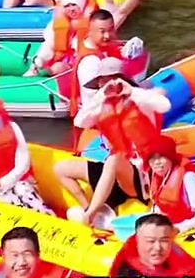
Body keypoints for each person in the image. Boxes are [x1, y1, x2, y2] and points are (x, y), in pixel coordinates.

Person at [57, 74, 171, 227]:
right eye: (102, 84)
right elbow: (80, 121)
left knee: (113, 160)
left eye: (112, 81)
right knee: (61, 168)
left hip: (143, 174)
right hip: (115, 172)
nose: (109, 87)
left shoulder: (141, 101)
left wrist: (131, 91)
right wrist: (99, 97)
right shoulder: (102, 107)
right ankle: (91, 211)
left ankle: (89, 214)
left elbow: (164, 105)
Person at [25, 0, 150, 79]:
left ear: (80, 3)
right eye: (67, 6)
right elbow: (49, 46)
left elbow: (121, 13)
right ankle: (39, 77)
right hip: (71, 61)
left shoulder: (95, 23)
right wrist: (38, 62)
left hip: (90, 60)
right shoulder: (59, 24)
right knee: (57, 67)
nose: (71, 9)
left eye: (74, 4)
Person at [68, 9, 149, 121]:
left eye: (111, 30)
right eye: (102, 31)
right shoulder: (90, 62)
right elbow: (96, 99)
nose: (107, 35)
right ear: (90, 31)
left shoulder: (103, 47)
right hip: (99, 118)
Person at [145, 135, 195, 233]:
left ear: (170, 157)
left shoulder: (188, 177)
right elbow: (159, 205)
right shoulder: (157, 178)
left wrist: (178, 228)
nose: (156, 162)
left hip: (190, 230)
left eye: (161, 157)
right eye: (152, 158)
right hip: (169, 226)